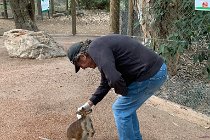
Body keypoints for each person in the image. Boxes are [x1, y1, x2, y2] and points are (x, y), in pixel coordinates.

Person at [67, 34, 167, 140]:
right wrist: (88, 105)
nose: (83, 68)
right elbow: (106, 82)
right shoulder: (99, 49)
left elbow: (114, 79)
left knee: (120, 109)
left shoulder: (96, 49)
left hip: (151, 74)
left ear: (82, 56)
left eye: (80, 65)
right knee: (126, 108)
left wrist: (122, 91)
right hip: (156, 70)